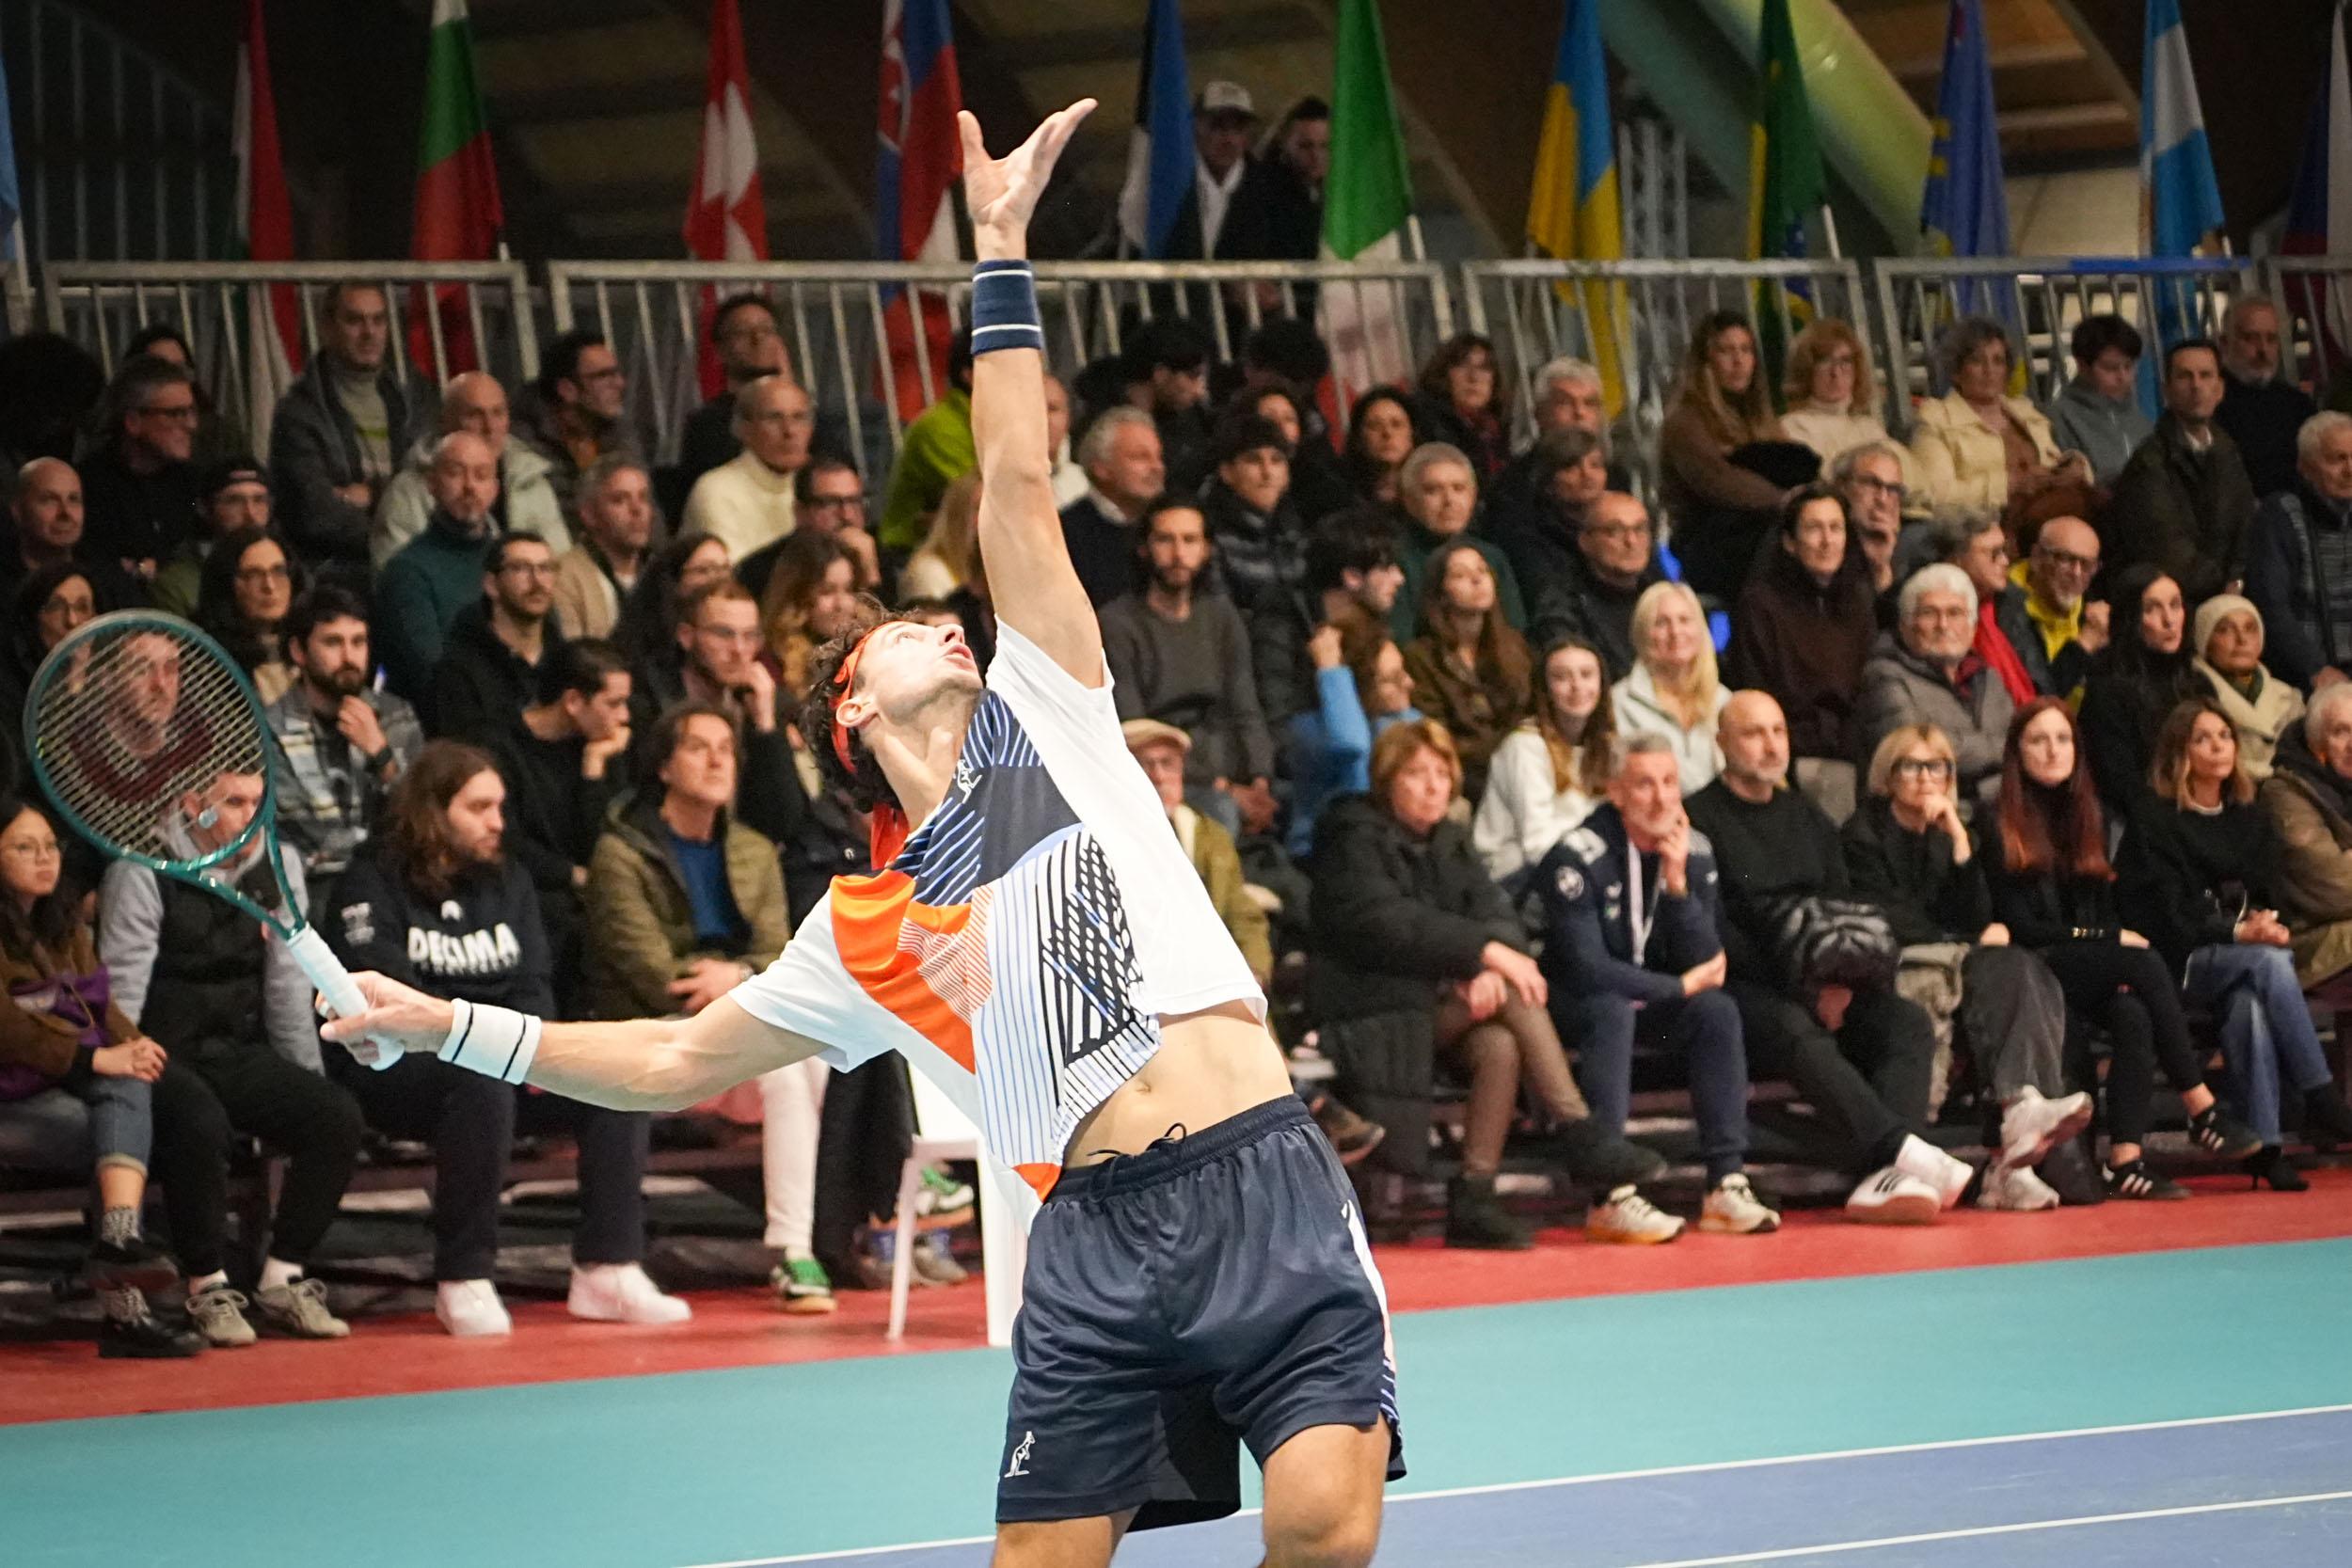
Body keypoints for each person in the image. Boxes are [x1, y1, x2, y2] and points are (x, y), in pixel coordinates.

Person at [326, 100, 1402, 1562]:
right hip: (1096, 1230)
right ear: (850, 709)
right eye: (901, 630)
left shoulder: (1054, 717)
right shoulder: (868, 927)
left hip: (1259, 1171)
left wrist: (1001, 250)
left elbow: (1013, 484)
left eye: (944, 622)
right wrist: (450, 1025)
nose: (941, 628)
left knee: (1326, 1530)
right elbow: (673, 1058)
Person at [326, 741, 691, 1334]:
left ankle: (609, 1268)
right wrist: (495, 1049)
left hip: (499, 1058)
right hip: (400, 1068)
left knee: (613, 1074)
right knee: (480, 1080)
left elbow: (533, 984)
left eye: (499, 806)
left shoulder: (509, 880)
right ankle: (464, 1276)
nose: (497, 821)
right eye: (479, 807)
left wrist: (536, 1053)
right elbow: (391, 997)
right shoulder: (370, 882)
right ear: (433, 811)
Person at [1312, 719, 1661, 1248]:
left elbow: (1498, 912)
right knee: (1517, 991)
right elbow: (1387, 923)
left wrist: (1484, 964)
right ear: (1387, 780)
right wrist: (1481, 955)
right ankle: (1577, 1130)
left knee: (1499, 1045)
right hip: (1371, 1013)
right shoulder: (1353, 837)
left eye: (1441, 773)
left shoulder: (1451, 840)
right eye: (1416, 774)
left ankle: (1475, 1194)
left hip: (1434, 1006)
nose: (1433, 786)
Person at [99, 768, 366, 1343]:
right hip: (156, 1053)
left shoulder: (278, 864)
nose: (253, 817)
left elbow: (287, 989)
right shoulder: (141, 870)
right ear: (192, 804)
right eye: (236, 802)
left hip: (233, 1049)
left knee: (335, 1116)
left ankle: (283, 1276)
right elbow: (121, 995)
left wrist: (306, 1083)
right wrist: (125, 1071)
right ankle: (207, 1284)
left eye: (260, 802)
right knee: (200, 1121)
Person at [579, 705, 824, 1307]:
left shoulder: (754, 850)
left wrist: (736, 975)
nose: (717, 761)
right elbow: (655, 975)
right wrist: (739, 984)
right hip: (656, 1034)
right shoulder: (621, 854)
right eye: (698, 747)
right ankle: (797, 1249)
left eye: (726, 749)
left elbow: (778, 953)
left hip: (737, 1025)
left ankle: (808, 1243)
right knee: (784, 1062)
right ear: (664, 766)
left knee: (813, 1057)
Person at [1686, 691, 1965, 1222]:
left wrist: (1840, 982)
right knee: (1792, 1025)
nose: (1771, 745)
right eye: (1754, 733)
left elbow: (1843, 905)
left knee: (1905, 1023)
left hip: (1823, 977)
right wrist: (1805, 989)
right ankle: (1900, 1153)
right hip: (1748, 986)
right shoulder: (1699, 817)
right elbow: (1717, 928)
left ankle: (1887, 1177)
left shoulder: (1807, 814)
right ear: (1721, 742)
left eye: (1778, 732)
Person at [1985, 698, 2261, 1198]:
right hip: (2031, 967)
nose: (2052, 750)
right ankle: (2202, 1108)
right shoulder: (1998, 820)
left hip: (2081, 962)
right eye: (2038, 740)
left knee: (2132, 1010)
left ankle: (2126, 1160)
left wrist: (2102, 938)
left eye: (2063, 739)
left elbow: (2102, 911)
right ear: (2016, 752)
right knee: (2143, 961)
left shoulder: (2087, 815)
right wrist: (2103, 939)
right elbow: (2021, 927)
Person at [1841, 725, 2099, 1209]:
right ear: (1888, 776)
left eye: (1937, 767)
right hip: (1897, 961)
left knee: (2021, 968)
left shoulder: (1950, 834)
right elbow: (1887, 916)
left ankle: (2018, 1127)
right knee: (1987, 968)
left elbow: (1978, 915)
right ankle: (2009, 1141)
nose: (1926, 778)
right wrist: (1961, 938)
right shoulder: (1862, 834)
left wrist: (1960, 843)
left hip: (1953, 954)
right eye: (1912, 766)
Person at [1536, 735, 1780, 1239]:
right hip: (1573, 1006)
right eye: (1644, 785)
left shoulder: (1694, 851)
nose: (1662, 798)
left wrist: (1677, 886)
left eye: (1670, 783)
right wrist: (1679, 987)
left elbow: (1708, 964)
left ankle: (1725, 1184)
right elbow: (1587, 969)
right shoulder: (1576, 856)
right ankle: (1610, 1195)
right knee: (1611, 1009)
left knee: (1716, 1011)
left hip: (1652, 1001)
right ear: (1616, 793)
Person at [0, 797, 208, 1357]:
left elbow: (100, 1002)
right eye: (25, 847)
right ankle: (125, 1313)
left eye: (51, 846)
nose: (45, 858)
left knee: (127, 1088)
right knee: (112, 1137)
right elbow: (8, 1031)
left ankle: (119, 1239)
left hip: (47, 1085)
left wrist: (133, 1044)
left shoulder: (62, 920)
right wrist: (92, 1060)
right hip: (8, 1100)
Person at [2119, 699, 2352, 1188]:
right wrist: (2238, 933)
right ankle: (2321, 1094)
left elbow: (2266, 891)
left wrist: (2266, 920)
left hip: (2240, 959)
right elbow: (2166, 917)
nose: (2218, 747)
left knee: (2250, 1005)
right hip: (2174, 962)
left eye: (2224, 736)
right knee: (2267, 964)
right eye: (2203, 739)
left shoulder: (2249, 815)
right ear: (2180, 752)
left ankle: (2265, 1148)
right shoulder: (2153, 819)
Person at [1101, 498, 1276, 834]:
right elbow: (1136, 729)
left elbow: (1246, 706)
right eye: (1165, 540)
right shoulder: (1117, 623)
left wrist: (1260, 780)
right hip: (1162, 773)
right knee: (1220, 811)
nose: (1179, 554)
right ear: (1144, 548)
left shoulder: (1222, 617)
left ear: (1207, 549)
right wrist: (1223, 787)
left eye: (1190, 540)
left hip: (1226, 761)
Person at [486, 640, 633, 1016]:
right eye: (614, 703)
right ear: (573, 701)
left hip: (584, 893)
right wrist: (570, 874)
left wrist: (594, 769)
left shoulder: (599, 746)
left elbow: (601, 843)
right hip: (525, 890)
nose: (624, 716)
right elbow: (504, 839)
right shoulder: (501, 748)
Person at [265, 585, 425, 899]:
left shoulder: (395, 716)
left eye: (358, 642)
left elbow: (426, 819)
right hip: (314, 893)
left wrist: (381, 755)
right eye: (333, 642)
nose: (349, 657)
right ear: (298, 651)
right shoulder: (271, 728)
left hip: (396, 889)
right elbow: (303, 833)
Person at [1728, 484, 1876, 819]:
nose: (1827, 540)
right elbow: (1755, 688)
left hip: (1853, 751)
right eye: (1814, 528)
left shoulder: (1858, 601)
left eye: (1835, 528)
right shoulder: (1761, 605)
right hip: (1792, 753)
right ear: (1789, 542)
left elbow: (1868, 688)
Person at [270, 279, 421, 577]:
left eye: (378, 320)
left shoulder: (409, 403)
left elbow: (429, 489)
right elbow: (317, 513)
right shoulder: (299, 412)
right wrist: (395, 528)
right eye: (354, 320)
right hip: (334, 572)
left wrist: (372, 494)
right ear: (327, 328)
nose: (369, 332)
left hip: (406, 566)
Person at [1855, 562, 2015, 820]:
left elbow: (2020, 745)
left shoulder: (1989, 678)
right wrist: (2003, 751)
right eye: (1929, 613)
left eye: (1955, 613)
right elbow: (1920, 754)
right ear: (1905, 625)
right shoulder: (1883, 677)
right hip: (1920, 820)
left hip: (1996, 812)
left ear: (1972, 626)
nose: (1943, 624)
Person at [2103, 339, 2255, 605]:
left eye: (2205, 375)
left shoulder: (2228, 451)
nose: (2196, 386)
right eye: (2185, 376)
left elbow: (2245, 528)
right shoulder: (2148, 462)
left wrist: (2238, 580)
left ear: (2220, 389)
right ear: (2167, 391)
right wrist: (2225, 588)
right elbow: (2166, 551)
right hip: (2171, 604)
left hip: (2227, 598)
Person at [1124, 719, 1272, 987]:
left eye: (1168, 763)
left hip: (1210, 977)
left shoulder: (1210, 835)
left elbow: (1241, 912)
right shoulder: (1108, 835)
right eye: (1145, 765)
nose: (1158, 776)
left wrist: (1255, 973)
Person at [1907, 316, 2090, 529]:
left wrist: (2073, 466)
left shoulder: (2025, 412)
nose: (1989, 370)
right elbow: (1936, 494)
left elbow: (2050, 465)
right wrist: (2009, 485)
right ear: (1956, 372)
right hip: (1985, 525)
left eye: (1998, 361)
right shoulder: (1936, 419)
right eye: (1977, 361)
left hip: (2052, 511)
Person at [372, 370, 568, 569]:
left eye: (498, 413)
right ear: (445, 421)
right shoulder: (407, 492)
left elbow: (560, 562)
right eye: (475, 415)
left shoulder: (531, 480)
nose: (489, 427)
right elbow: (396, 575)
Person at [1657, 311, 1792, 597]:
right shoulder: (1685, 420)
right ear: (1705, 360)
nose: (1738, 361)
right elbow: (1719, 482)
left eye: (1746, 350)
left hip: (1761, 531)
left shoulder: (1762, 419)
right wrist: (1787, 499)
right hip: (1709, 542)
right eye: (1726, 351)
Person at [374, 431, 503, 703]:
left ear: (495, 489)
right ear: (432, 483)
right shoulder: (407, 572)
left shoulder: (510, 563)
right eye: (455, 473)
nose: (470, 486)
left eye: (481, 475)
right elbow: (429, 673)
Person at [1473, 637, 1612, 887]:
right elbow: (1538, 846)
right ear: (1545, 689)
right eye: (1562, 677)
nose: (1577, 686)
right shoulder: (1523, 747)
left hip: (1580, 865)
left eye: (1586, 674)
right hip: (1515, 875)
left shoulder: (1607, 745)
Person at [1400, 539, 1532, 800]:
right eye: (1460, 575)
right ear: (1440, 593)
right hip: (1463, 775)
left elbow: (1529, 712)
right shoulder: (1421, 657)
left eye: (1482, 570)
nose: (1477, 580)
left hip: (1521, 766)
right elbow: (1437, 734)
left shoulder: (1515, 645)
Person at [1288, 613, 1420, 863]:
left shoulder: (1401, 719)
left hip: (1389, 849)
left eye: (1404, 671)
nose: (1409, 683)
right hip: (1325, 856)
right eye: (1392, 679)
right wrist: (1331, 669)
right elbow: (1351, 744)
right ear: (1356, 687)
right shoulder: (1311, 730)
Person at [1254, 521, 1405, 727]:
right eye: (1387, 568)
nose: (1399, 579)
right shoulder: (1280, 625)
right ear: (1352, 577)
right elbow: (1281, 720)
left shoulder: (1372, 624)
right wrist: (1330, 673)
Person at [2079, 565, 2201, 817]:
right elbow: (2121, 786)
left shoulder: (2198, 683)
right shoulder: (2107, 690)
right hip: (2144, 822)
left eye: (2175, 605)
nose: (2169, 620)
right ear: (2130, 618)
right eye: (2152, 609)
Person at [2244, 411, 2352, 690]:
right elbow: (2271, 605)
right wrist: (2313, 667)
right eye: (2337, 459)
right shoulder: (2281, 515)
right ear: (2305, 467)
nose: (2349, 469)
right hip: (2309, 677)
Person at [430, 531, 567, 744]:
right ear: (491, 585)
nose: (537, 580)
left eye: (545, 568)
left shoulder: (567, 660)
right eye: (520, 568)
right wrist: (539, 721)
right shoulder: (459, 667)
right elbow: (464, 747)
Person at [1521, 487, 1664, 683]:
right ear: (1585, 541)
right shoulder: (1561, 605)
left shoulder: (1661, 594)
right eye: (1614, 531)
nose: (1631, 541)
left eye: (1640, 529)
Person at [77, 356, 201, 578]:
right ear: (133, 422)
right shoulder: (89, 487)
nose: (191, 425)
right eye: (176, 414)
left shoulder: (192, 482)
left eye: (191, 412)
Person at [2262, 683, 2352, 988]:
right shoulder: (2284, 792)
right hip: (2317, 938)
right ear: (2316, 740)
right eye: (2341, 732)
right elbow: (2336, 886)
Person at [1389, 442, 1525, 642]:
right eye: (1433, 490)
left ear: (1473, 496)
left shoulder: (1492, 557)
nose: (1449, 501)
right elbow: (1400, 639)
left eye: (1459, 488)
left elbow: (1515, 632)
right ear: (1409, 500)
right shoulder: (1396, 559)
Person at [1611, 580, 1728, 795]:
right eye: (1661, 623)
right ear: (1642, 633)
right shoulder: (1618, 703)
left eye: (1684, 620)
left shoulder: (1724, 701)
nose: (1675, 632)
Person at [684, 375, 816, 562]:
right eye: (774, 418)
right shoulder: (715, 490)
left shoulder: (819, 486)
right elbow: (736, 572)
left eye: (799, 417)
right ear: (744, 429)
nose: (790, 431)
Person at [516, 329, 637, 519]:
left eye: (616, 373)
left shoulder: (618, 431)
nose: (620, 383)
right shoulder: (525, 442)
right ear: (567, 390)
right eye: (604, 376)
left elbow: (648, 510)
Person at [875, 335, 977, 560]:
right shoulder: (938, 428)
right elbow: (982, 499)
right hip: (908, 553)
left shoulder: (997, 423)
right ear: (970, 375)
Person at [1200, 412, 1306, 619]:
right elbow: (1221, 621)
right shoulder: (1212, 538)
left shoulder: (1294, 532)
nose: (1267, 472)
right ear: (1227, 472)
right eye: (1253, 460)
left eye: (1276, 460)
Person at [2215, 294, 2318, 501]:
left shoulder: (2298, 404)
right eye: (2250, 338)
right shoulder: (2208, 405)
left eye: (2271, 339)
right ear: (2224, 343)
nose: (2263, 349)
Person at [1058, 407, 1166, 608]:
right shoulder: (1066, 532)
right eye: (1140, 457)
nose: (1157, 467)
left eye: (1159, 457)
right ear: (1101, 468)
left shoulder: (1166, 525)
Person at [2190, 594, 2302, 781]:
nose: (2242, 639)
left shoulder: (2289, 697)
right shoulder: (2190, 696)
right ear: (2205, 641)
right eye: (2225, 630)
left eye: (2250, 629)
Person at [191, 525, 302, 705]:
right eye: (253, 575)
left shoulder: (309, 647)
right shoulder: (204, 660)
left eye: (279, 571)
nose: (269, 586)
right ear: (226, 583)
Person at [2002, 515, 2108, 704]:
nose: (2076, 573)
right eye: (2065, 559)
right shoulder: (2005, 609)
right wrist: (2084, 645)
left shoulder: (2093, 613)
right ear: (2037, 557)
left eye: (2087, 565)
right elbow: (2038, 698)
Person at [151, 457, 274, 620]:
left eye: (259, 500)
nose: (250, 514)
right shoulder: (176, 585)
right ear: (204, 508)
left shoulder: (286, 574)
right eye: (234, 501)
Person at [551, 454, 657, 641]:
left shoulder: (663, 571)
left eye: (643, 498)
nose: (637, 510)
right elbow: (574, 654)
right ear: (589, 514)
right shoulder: (563, 576)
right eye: (619, 500)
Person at [2046, 313, 2153, 487]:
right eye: (2110, 368)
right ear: (2082, 365)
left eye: (2129, 366)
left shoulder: (2140, 419)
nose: (2123, 377)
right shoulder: (2059, 418)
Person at [1219, 94, 1327, 265]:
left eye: (1325, 146)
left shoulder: (1334, 194)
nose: (1316, 156)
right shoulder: (1259, 191)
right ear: (1284, 142)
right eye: (1305, 146)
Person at [1778, 319, 1896, 470]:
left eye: (1845, 361)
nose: (1836, 372)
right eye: (1824, 360)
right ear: (1806, 369)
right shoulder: (1793, 427)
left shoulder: (1870, 429)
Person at [1163, 80, 1259, 261]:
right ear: (1195, 126)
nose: (1229, 139)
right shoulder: (1170, 182)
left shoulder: (1265, 189)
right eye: (1218, 126)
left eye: (1238, 128)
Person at [758, 531, 863, 693]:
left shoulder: (866, 651)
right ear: (797, 596)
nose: (841, 604)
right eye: (827, 591)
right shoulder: (771, 665)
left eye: (849, 590)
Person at [1133, 318, 1217, 494]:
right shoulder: (1106, 428)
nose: (1200, 391)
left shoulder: (1194, 420)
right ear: (1161, 374)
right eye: (1193, 376)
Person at [1410, 334, 1508, 480]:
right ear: (1444, 373)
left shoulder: (1497, 432)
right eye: (1462, 365)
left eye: (1484, 368)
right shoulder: (1428, 428)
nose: (1474, 377)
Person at [1831, 441, 1910, 599]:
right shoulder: (1822, 540)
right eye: (1872, 484)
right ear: (1842, 487)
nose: (1882, 499)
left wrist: (1880, 569)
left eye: (1893, 489)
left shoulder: (1900, 553)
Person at [1343, 388, 1420, 509]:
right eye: (1375, 425)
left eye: (1397, 424)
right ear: (1359, 437)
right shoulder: (1341, 497)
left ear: (1412, 434)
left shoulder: (1428, 496)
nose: (1387, 433)